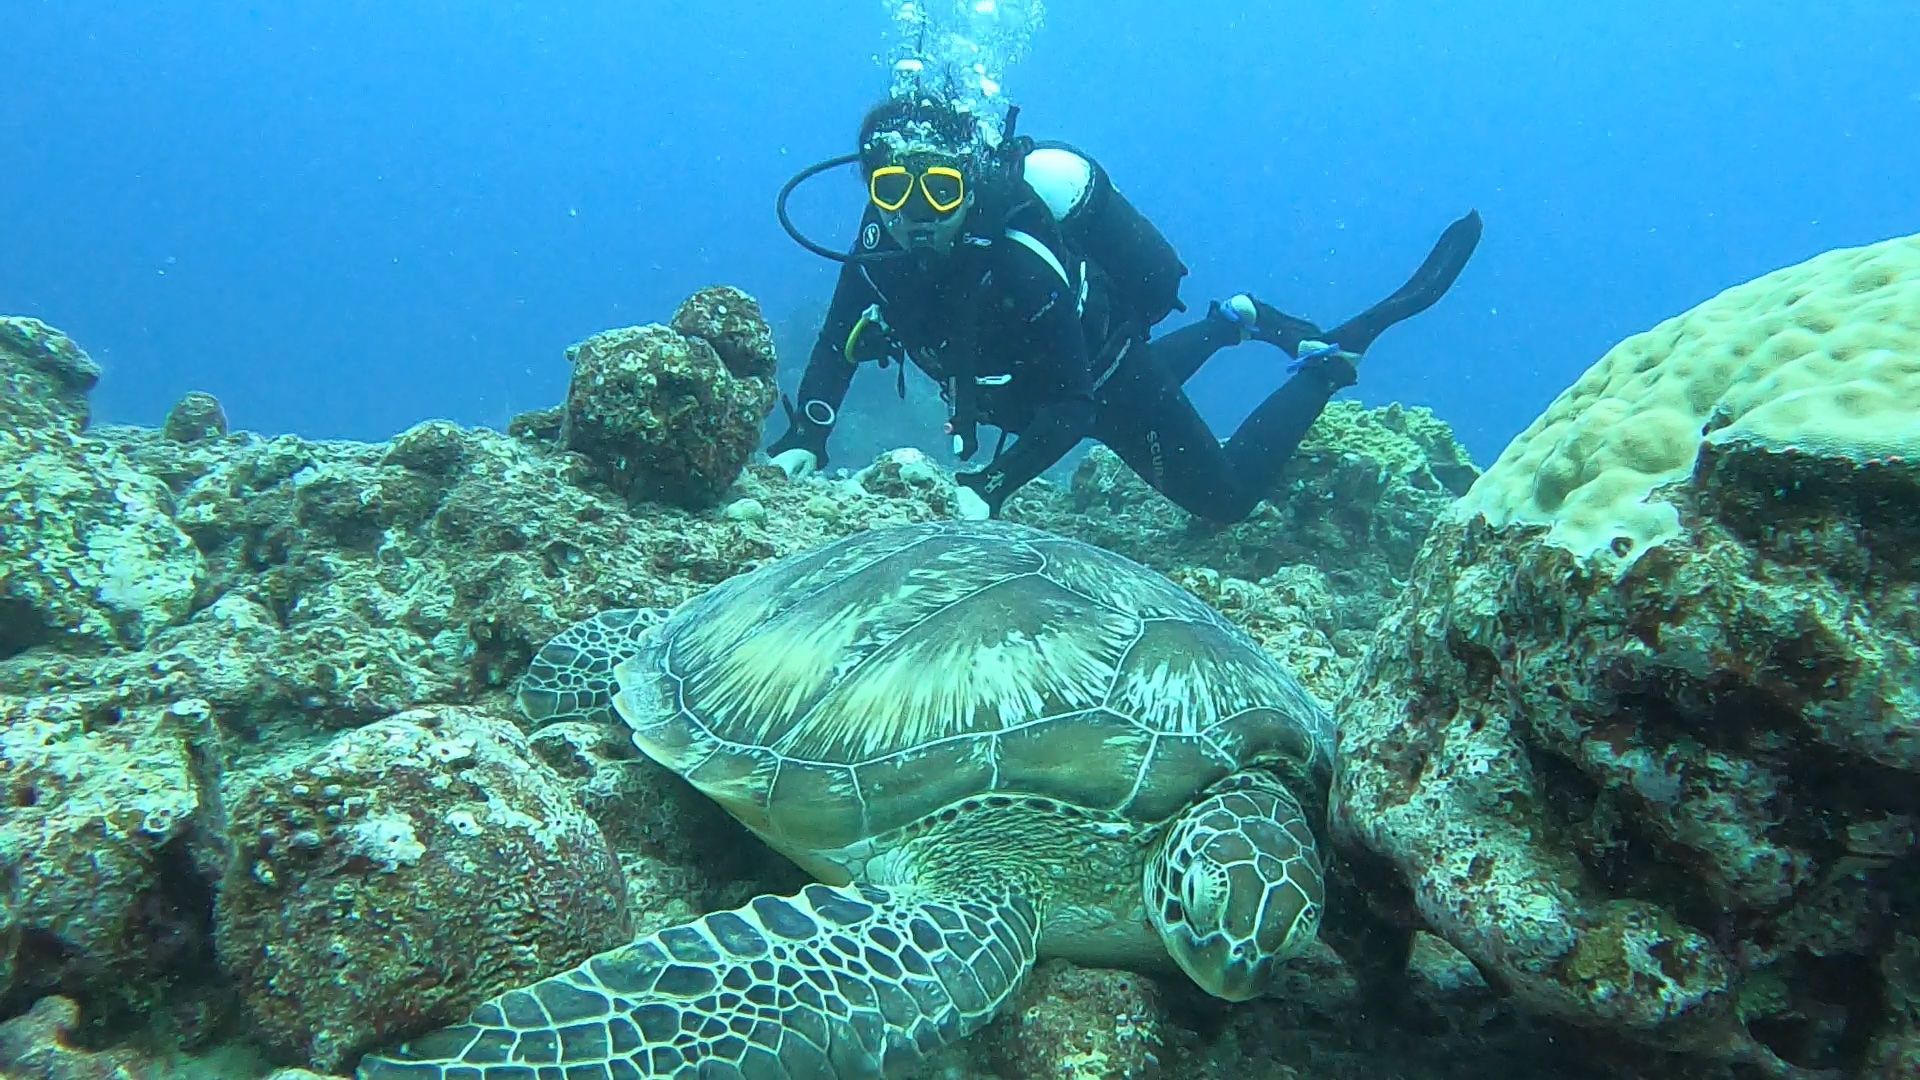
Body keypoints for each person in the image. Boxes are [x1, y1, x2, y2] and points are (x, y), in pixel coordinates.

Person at [767, 91, 1483, 522]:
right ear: (870, 188)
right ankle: (1234, 322)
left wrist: (991, 486)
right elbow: (835, 343)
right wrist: (809, 433)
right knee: (1126, 379)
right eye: (893, 190)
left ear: (971, 181)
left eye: (942, 192)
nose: (916, 216)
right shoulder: (878, 250)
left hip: (1096, 381)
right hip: (1032, 389)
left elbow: (1076, 408)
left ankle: (1328, 367)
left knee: (1226, 500)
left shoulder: (1015, 254)